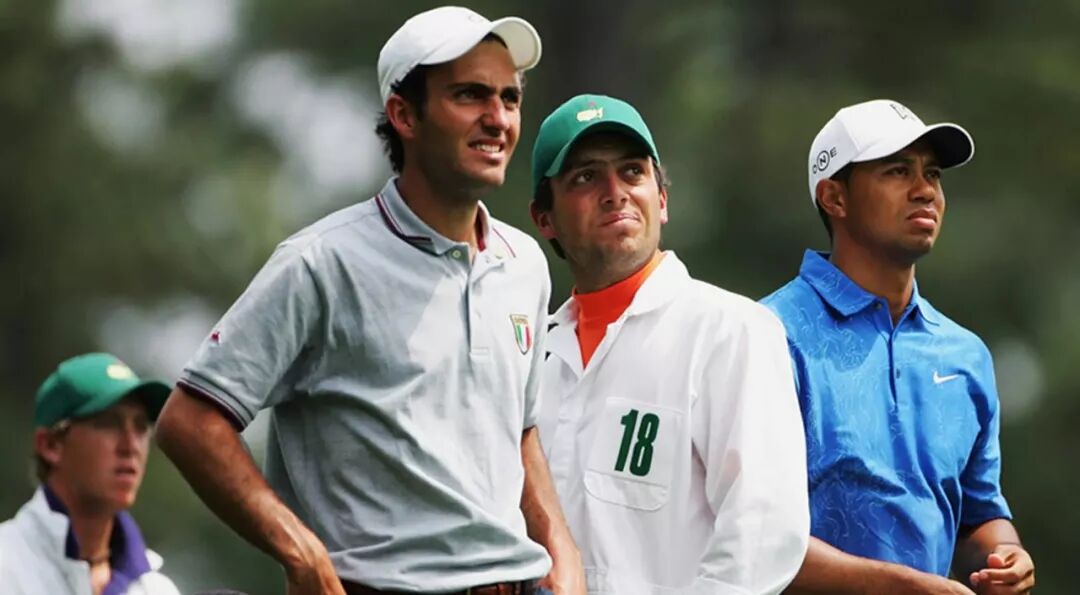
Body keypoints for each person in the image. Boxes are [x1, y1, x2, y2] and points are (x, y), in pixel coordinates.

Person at [154, 6, 584, 595]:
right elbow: (190, 422)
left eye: (509, 98)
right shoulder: (321, 263)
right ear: (404, 115)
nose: (498, 119)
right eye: (470, 95)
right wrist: (300, 551)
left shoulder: (524, 263)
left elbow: (520, 428)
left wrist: (559, 546)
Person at [528, 93, 809, 594]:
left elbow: (763, 534)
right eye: (585, 177)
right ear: (544, 218)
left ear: (661, 199)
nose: (615, 193)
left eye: (632, 172)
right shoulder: (531, 354)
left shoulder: (731, 330)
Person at [763, 99, 1035, 594]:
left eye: (932, 174)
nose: (925, 190)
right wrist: (903, 587)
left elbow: (978, 514)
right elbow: (752, 533)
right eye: (897, 171)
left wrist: (1005, 557)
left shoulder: (964, 354)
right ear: (834, 197)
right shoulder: (766, 333)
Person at [0, 352, 180, 595]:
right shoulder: (6, 565)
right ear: (51, 445)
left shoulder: (156, 589)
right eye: (109, 423)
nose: (131, 446)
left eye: (140, 427)